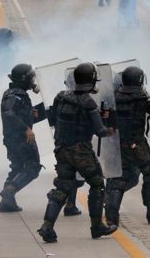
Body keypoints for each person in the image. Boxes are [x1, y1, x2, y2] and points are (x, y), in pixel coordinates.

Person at [37, 62, 118, 243]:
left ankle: (47, 227)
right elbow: (100, 131)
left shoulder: (61, 96)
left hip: (61, 149)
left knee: (63, 187)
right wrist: (110, 128)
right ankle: (97, 227)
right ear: (91, 81)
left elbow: (52, 119)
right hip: (81, 151)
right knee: (97, 185)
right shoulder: (88, 103)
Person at [105, 66, 150, 227]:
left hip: (118, 142)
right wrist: (147, 95)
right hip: (137, 142)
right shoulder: (141, 97)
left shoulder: (114, 96)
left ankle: (112, 217)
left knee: (119, 178)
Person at [0, 64, 44, 212]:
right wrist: (26, 129)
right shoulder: (16, 95)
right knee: (33, 168)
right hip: (20, 139)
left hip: (12, 138)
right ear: (24, 79)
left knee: (17, 167)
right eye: (31, 78)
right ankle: (10, 190)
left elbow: (19, 114)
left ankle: (7, 203)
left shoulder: (12, 93)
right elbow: (9, 113)